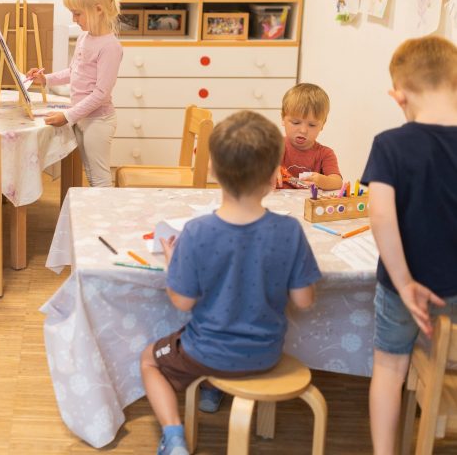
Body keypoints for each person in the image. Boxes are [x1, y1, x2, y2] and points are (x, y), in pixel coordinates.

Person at [140, 111, 321, 455]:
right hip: (267, 353)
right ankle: (212, 390)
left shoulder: (197, 232)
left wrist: (171, 260)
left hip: (206, 352)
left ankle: (175, 436)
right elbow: (304, 301)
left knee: (149, 360)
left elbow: (181, 302)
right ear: (273, 176)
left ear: (211, 171)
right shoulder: (290, 231)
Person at [362, 35, 457, 454]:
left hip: (406, 288)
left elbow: (381, 216)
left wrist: (403, 282)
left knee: (389, 366)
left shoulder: (390, 144)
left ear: (397, 95)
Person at [27, 0, 123, 187]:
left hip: (98, 121)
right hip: (82, 117)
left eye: (77, 13)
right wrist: (45, 80)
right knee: (89, 174)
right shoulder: (84, 38)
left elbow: (101, 94)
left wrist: (68, 116)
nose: (73, 19)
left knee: (99, 178)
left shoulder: (110, 47)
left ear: (98, 10)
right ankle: (96, 217)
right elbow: (74, 71)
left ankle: (105, 219)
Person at [278, 83, 343, 190]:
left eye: (312, 125)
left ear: (322, 125)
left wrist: (321, 180)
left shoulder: (325, 154)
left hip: (308, 205)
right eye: (295, 122)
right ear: (283, 118)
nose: (303, 130)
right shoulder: (274, 145)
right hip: (277, 204)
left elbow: (337, 182)